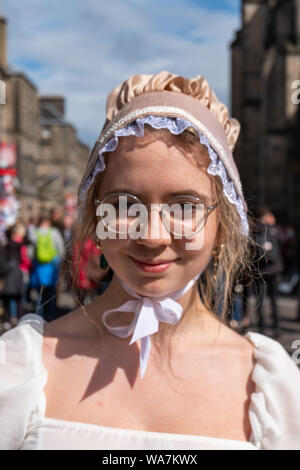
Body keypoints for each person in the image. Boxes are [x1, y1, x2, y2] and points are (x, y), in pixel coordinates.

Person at [0, 71, 300, 451]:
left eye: (186, 207)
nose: (152, 236)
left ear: (222, 227)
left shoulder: (271, 388)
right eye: (124, 204)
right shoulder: (21, 367)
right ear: (95, 218)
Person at [253, 206, 283, 338]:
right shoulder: (273, 230)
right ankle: (276, 327)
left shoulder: (252, 229)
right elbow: (283, 243)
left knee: (260, 301)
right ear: (266, 216)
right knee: (274, 300)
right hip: (273, 270)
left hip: (259, 270)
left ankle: (261, 329)